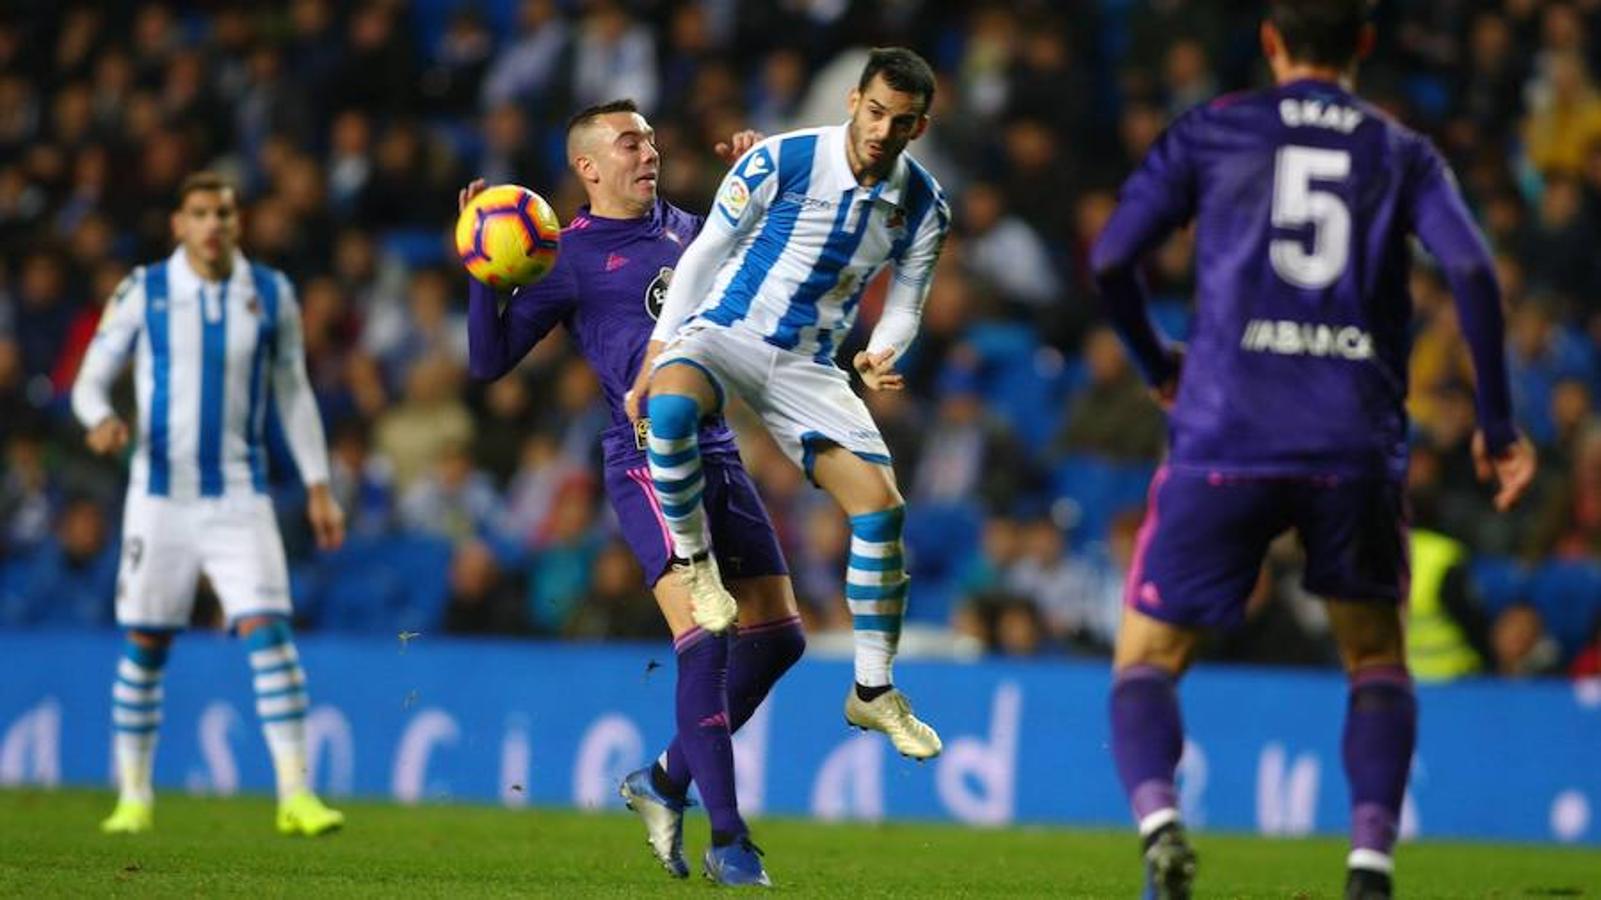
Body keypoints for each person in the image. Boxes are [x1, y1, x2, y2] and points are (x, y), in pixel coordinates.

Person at [1089, 3, 1538, 898]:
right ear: (1365, 44)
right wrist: (1495, 426)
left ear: (1267, 39)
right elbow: (1475, 271)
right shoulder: (1399, 149)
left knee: (1145, 659)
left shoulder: (1213, 131)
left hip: (1224, 434)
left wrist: (1155, 364)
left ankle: (1160, 825)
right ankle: (1368, 863)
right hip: (1352, 443)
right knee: (1374, 659)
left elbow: (1110, 259)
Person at [464, 99, 803, 887]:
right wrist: (484, 277)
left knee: (779, 637)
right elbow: (487, 364)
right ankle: (730, 842)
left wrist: (764, 188)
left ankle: (660, 780)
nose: (647, 149)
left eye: (650, 135)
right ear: (587, 167)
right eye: (628, 141)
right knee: (708, 635)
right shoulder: (566, 258)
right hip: (647, 461)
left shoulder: (693, 229)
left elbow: (778, 272)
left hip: (716, 447)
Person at [630, 47, 951, 761]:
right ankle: (694, 563)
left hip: (809, 365)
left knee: (881, 508)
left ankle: (872, 691)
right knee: (672, 412)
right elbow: (708, 251)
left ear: (917, 127)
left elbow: (906, 303)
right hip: (727, 330)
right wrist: (660, 346)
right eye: (872, 111)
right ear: (851, 102)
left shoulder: (924, 205)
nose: (879, 129)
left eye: (897, 121)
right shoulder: (782, 159)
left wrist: (882, 350)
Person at [72, 172, 347, 837]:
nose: (213, 225)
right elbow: (89, 381)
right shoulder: (145, 289)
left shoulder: (271, 293)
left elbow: (293, 393)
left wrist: (317, 484)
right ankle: (133, 797)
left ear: (238, 222)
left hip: (239, 495)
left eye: (223, 212)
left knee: (270, 633)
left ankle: (294, 795)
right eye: (199, 213)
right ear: (178, 224)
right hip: (159, 499)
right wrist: (101, 418)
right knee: (146, 643)